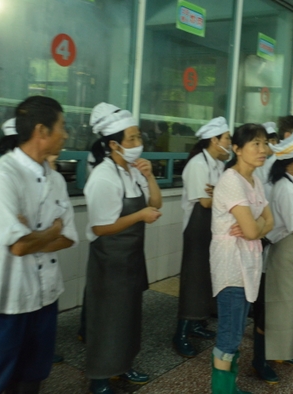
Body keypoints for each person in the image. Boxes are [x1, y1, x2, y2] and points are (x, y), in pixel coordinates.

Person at [0, 96, 78, 394]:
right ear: (42, 130)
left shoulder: (55, 179)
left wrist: (32, 235)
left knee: (34, 375)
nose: (66, 135)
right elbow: (19, 247)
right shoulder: (2, 178)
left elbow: (68, 237)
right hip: (8, 298)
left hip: (45, 295)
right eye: (62, 127)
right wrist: (50, 231)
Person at [83, 102, 162, 394]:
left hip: (130, 257)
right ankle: (100, 378)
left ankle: (123, 365)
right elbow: (100, 228)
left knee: (129, 316)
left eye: (139, 136)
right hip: (109, 260)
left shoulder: (132, 170)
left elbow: (156, 203)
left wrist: (150, 176)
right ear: (114, 144)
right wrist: (139, 216)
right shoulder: (103, 177)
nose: (138, 143)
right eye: (132, 138)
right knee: (107, 318)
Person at [252, 127, 293, 385]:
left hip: (292, 256)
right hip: (281, 255)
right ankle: (260, 361)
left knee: (288, 307)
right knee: (270, 311)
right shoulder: (286, 188)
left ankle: (283, 352)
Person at [210, 123, 274, 394]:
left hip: (248, 262)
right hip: (231, 266)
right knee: (229, 335)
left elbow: (270, 222)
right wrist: (257, 227)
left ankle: (229, 388)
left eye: (264, 143)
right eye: (255, 144)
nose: (263, 149)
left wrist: (256, 227)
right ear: (237, 149)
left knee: (235, 333)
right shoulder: (231, 181)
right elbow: (253, 229)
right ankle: (221, 391)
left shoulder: (254, 181)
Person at [173, 116, 231, 358]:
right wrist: (224, 194)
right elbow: (206, 202)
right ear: (214, 140)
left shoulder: (218, 164)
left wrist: (220, 193)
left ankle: (196, 324)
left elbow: (218, 195)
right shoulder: (198, 164)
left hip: (212, 227)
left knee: (206, 279)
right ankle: (181, 333)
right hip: (197, 229)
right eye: (226, 139)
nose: (229, 143)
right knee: (194, 281)